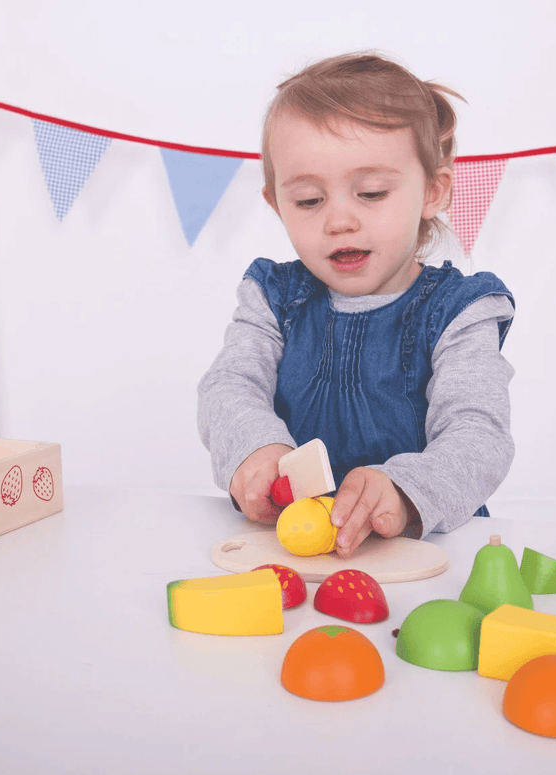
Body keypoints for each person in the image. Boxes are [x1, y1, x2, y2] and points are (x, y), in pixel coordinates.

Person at [198, 52, 515, 558]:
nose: (338, 220)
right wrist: (255, 448)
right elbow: (230, 385)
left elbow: (478, 434)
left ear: (433, 191)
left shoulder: (460, 311)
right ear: (277, 204)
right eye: (308, 200)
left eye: (370, 192)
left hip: (425, 554)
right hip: (290, 549)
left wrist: (407, 492)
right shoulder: (271, 298)